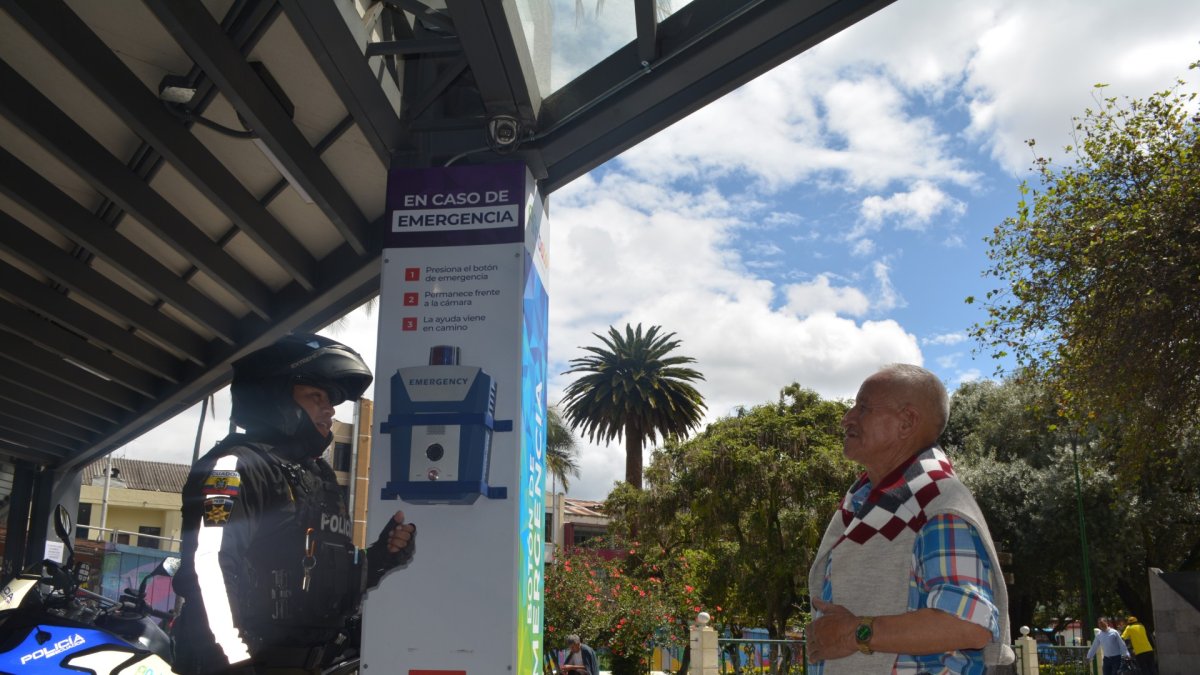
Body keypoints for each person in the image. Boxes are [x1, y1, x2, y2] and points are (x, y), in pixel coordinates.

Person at [173, 334, 417, 674]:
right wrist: (234, 661)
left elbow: (324, 583)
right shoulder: (233, 468)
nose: (330, 409)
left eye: (331, 400)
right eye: (316, 396)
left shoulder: (319, 477)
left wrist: (380, 558)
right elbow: (208, 569)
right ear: (273, 397)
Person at [806, 364, 1012, 674]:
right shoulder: (865, 502)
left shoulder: (938, 505)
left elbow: (968, 623)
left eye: (863, 408)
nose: (847, 418)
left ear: (907, 422)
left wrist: (854, 633)